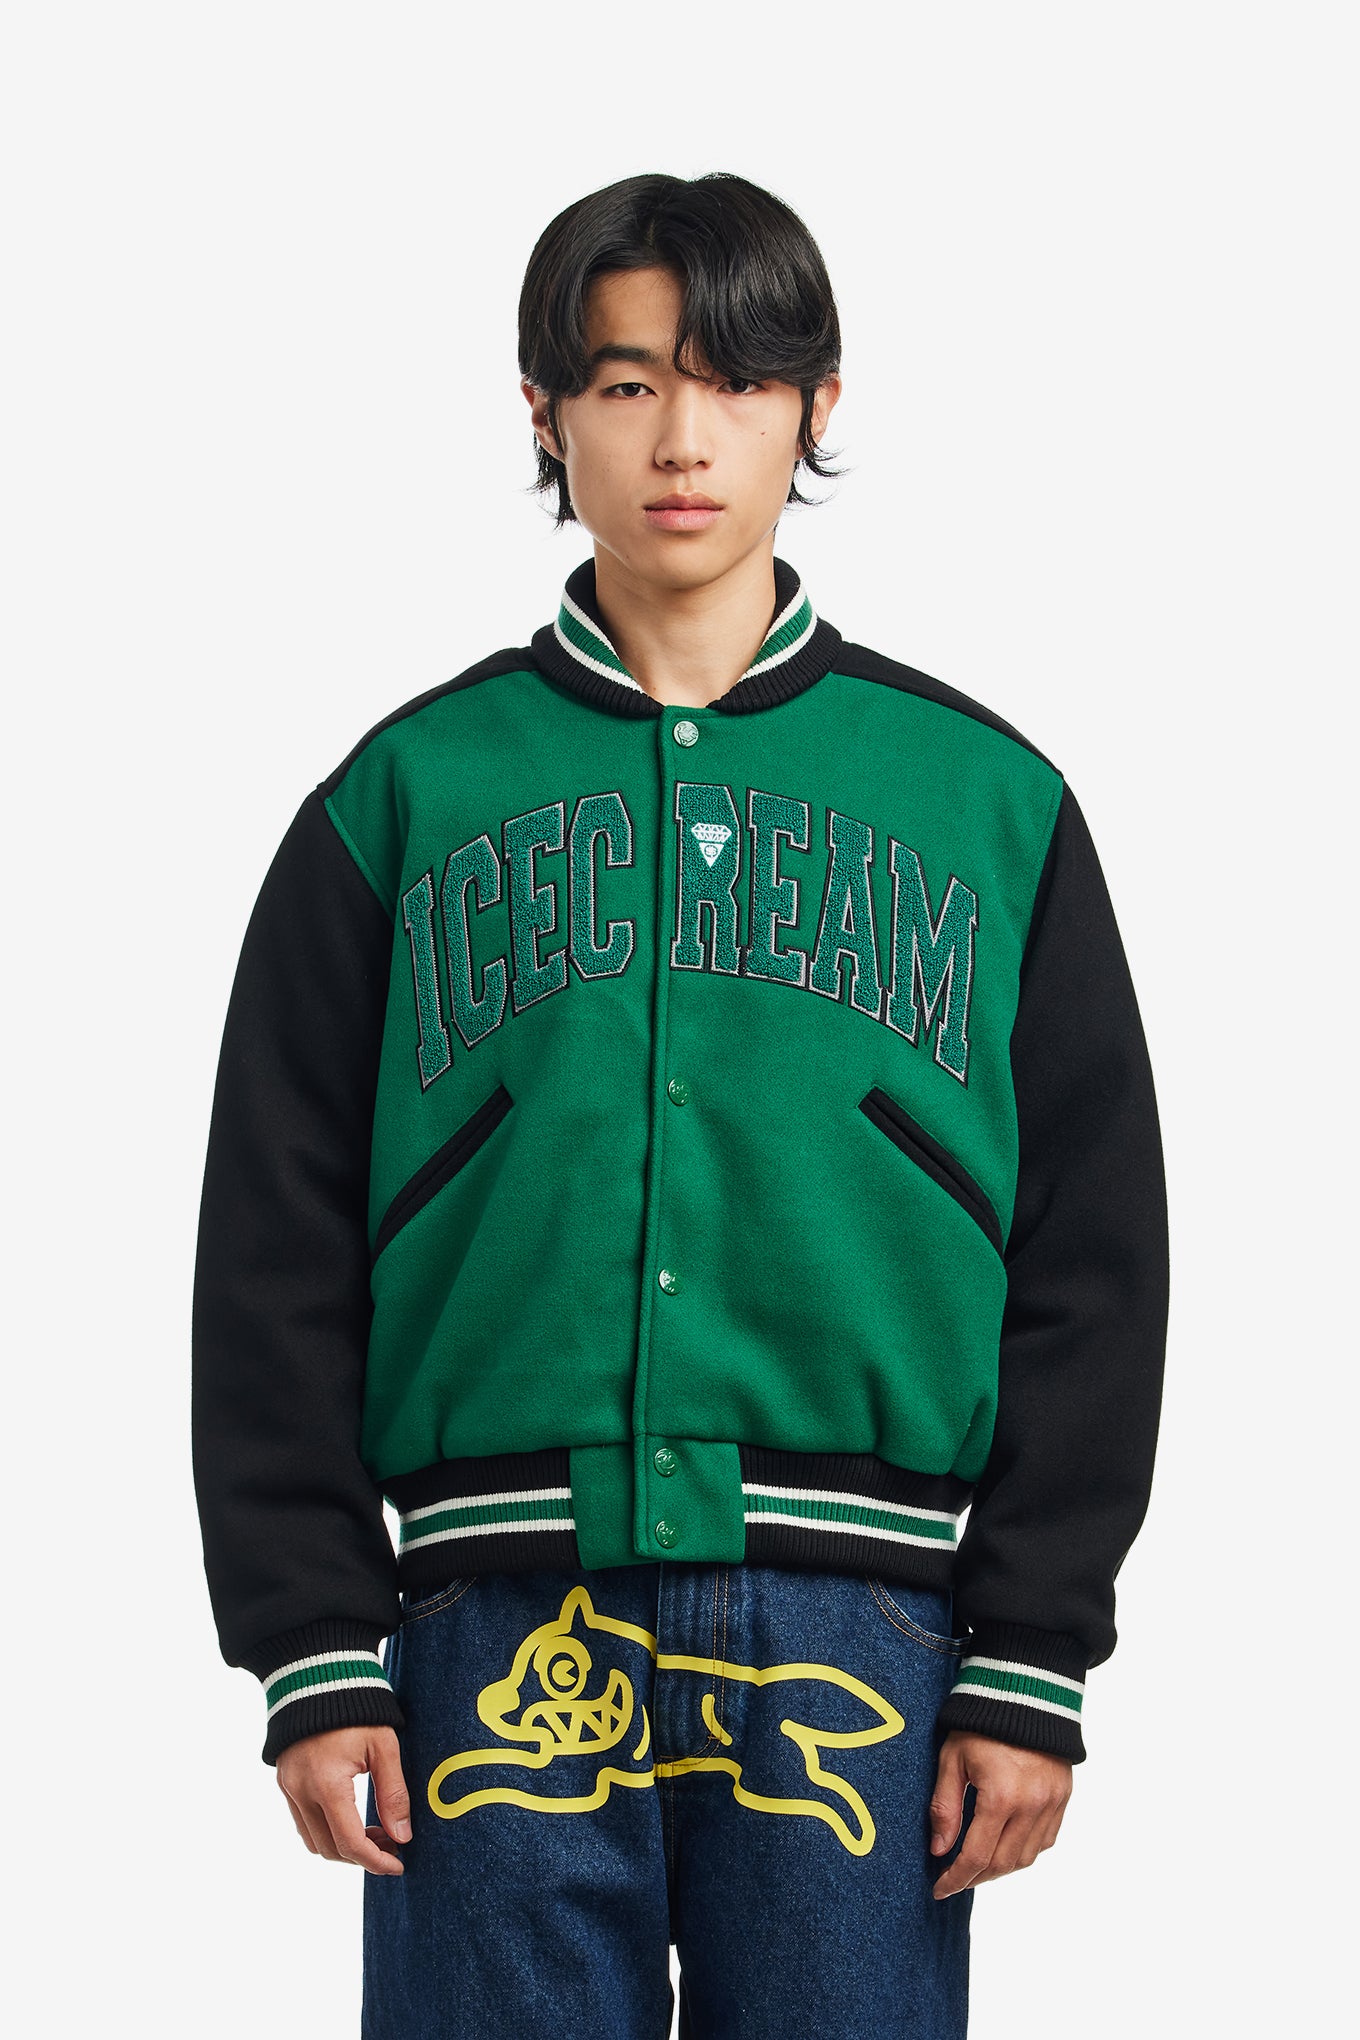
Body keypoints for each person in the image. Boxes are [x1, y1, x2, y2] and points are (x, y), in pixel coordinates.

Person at [191, 170, 1169, 2039]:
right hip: (491, 1624)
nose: (682, 440)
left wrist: (1035, 1648)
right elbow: (272, 1244)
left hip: (864, 1628)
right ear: (545, 413)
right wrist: (312, 1639)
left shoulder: (987, 802)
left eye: (735, 383)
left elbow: (1096, 1257)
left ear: (817, 407)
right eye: (629, 383)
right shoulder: (405, 797)